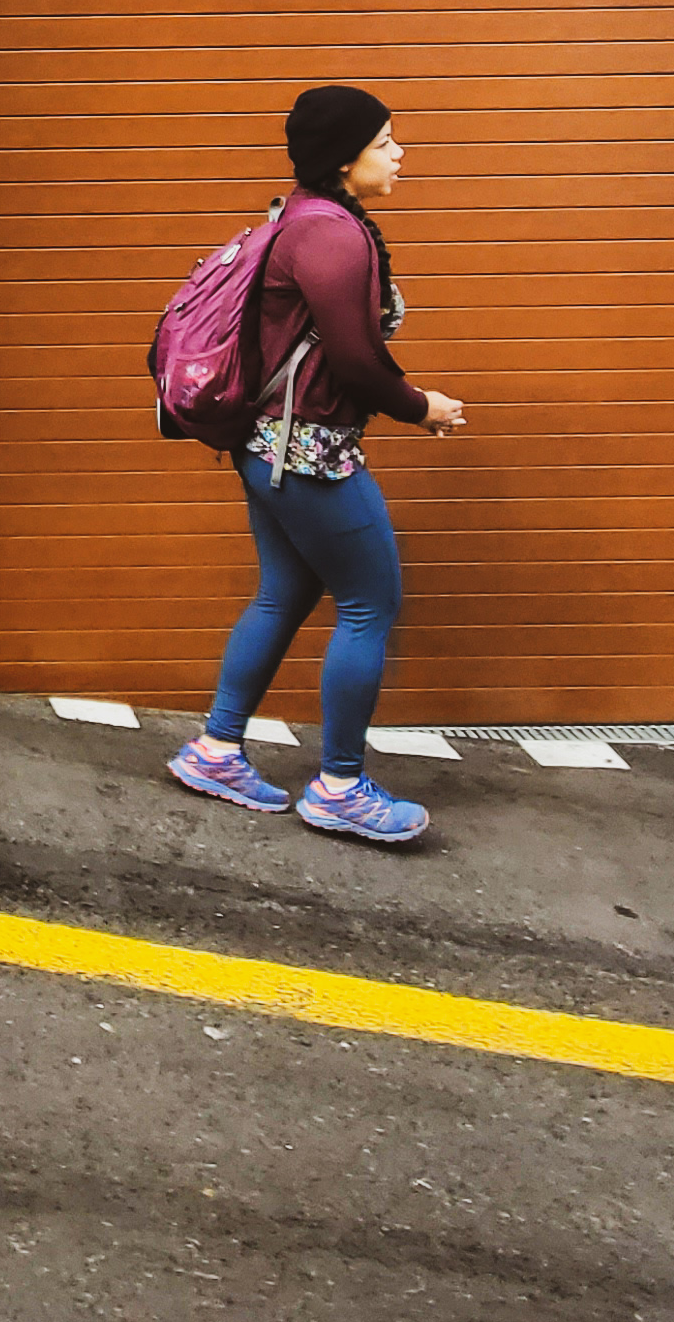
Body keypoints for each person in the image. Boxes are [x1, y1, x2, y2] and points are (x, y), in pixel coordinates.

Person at [164, 85, 469, 848]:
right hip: (308, 452)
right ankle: (339, 786)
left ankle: (216, 750)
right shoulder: (333, 236)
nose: (401, 154)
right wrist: (419, 405)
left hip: (266, 444)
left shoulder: (297, 219)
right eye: (386, 142)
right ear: (344, 159)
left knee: (285, 592)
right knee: (370, 603)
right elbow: (358, 362)